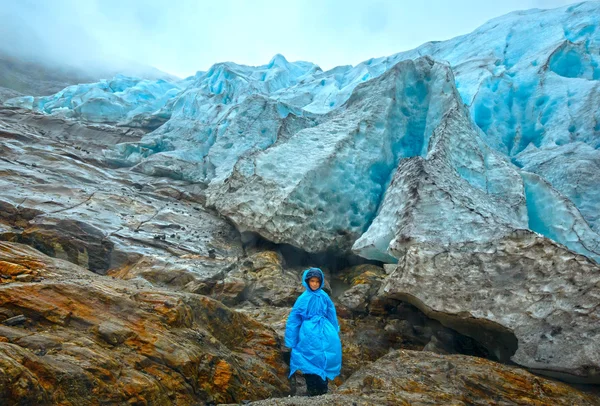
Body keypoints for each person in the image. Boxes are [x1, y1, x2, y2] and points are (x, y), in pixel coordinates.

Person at [284, 267, 342, 396]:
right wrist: (291, 341)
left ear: (321, 282)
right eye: (312, 281)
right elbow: (294, 320)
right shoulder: (303, 298)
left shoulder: (324, 296)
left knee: (325, 356)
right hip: (308, 332)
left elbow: (331, 312)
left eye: (317, 281)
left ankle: (322, 387)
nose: (315, 284)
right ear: (307, 282)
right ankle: (312, 388)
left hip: (325, 330)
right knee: (309, 356)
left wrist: (334, 329)